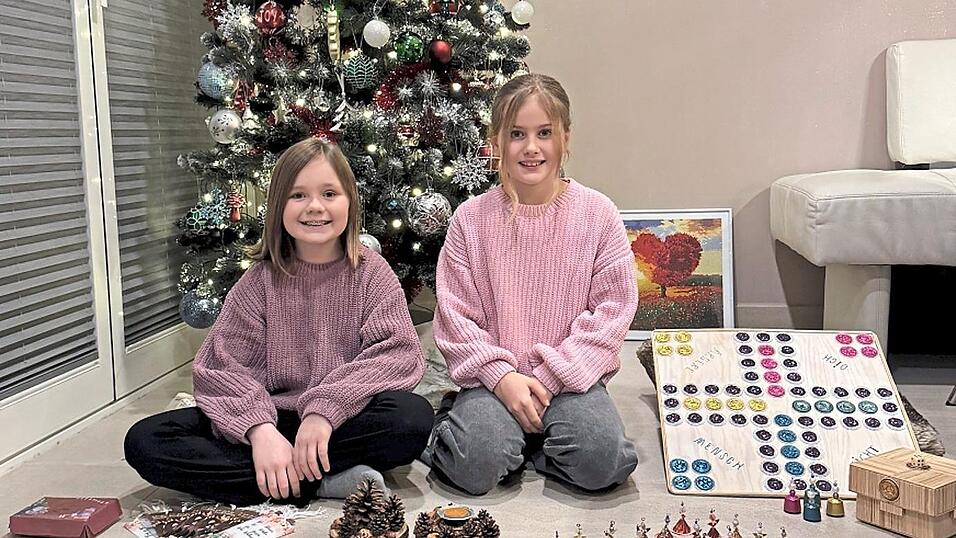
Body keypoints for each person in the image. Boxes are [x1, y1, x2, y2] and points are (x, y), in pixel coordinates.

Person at [124, 138, 433, 506]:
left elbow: (398, 355)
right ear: (278, 206)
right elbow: (220, 367)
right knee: (145, 441)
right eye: (298, 195)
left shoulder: (371, 272)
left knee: (411, 419)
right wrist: (259, 431)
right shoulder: (260, 280)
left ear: (350, 202)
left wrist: (325, 410)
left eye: (330, 193)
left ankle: (282, 477)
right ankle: (320, 479)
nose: (315, 207)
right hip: (273, 418)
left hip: (340, 421)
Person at [424, 74, 639, 495]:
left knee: (603, 462)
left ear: (566, 138)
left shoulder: (598, 213)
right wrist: (503, 378)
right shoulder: (471, 218)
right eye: (517, 134)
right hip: (494, 380)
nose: (532, 148)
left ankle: (532, 442)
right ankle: (464, 426)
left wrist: (551, 379)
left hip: (569, 377)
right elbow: (455, 316)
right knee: (475, 463)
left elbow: (612, 311)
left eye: (545, 133)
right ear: (497, 141)